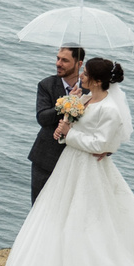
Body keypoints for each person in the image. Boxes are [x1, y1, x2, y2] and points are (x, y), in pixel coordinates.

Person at [2, 56, 134, 266]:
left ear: (99, 81)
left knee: (86, 219)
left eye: (86, 73)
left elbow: (101, 142)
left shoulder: (109, 109)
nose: (82, 76)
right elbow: (78, 127)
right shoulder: (87, 99)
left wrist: (68, 135)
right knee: (56, 214)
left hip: (87, 168)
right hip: (70, 166)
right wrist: (68, 114)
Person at [30, 45, 87, 203]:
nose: (58, 63)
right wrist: (67, 103)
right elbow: (42, 118)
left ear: (79, 64)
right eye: (58, 58)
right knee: (39, 207)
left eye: (65, 60)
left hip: (76, 161)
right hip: (46, 158)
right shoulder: (46, 85)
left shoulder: (89, 89)